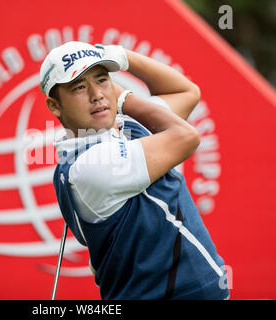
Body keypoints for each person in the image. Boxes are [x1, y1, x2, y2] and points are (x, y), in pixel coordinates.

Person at [39, 41, 230, 300]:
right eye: (80, 87)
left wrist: (124, 57)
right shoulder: (90, 166)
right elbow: (186, 137)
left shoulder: (123, 131)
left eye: (102, 79)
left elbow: (187, 92)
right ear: (55, 106)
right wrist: (124, 99)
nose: (97, 94)